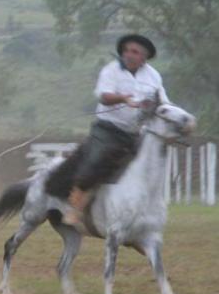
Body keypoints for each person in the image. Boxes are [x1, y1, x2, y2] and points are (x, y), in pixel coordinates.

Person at [63, 34, 169, 225]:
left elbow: (163, 102)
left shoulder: (153, 76)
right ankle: (75, 206)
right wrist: (123, 98)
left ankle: (145, 209)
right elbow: (104, 97)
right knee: (95, 161)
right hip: (108, 129)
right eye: (126, 50)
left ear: (144, 57)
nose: (128, 54)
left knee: (151, 164)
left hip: (136, 132)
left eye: (134, 52)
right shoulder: (111, 70)